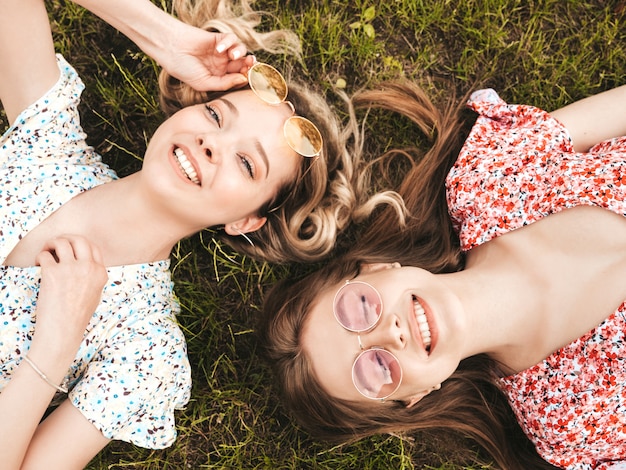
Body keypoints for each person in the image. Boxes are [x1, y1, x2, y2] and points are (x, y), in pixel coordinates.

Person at [0, 0, 400, 468]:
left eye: (247, 164)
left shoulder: (142, 350)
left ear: (247, 220)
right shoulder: (48, 143)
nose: (212, 144)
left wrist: (53, 347)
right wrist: (164, 38)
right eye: (216, 117)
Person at [259, 80, 626, 469]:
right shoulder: (569, 423)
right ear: (416, 397)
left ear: (377, 268)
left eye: (360, 307)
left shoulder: (485, 181)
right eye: (375, 368)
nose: (390, 334)